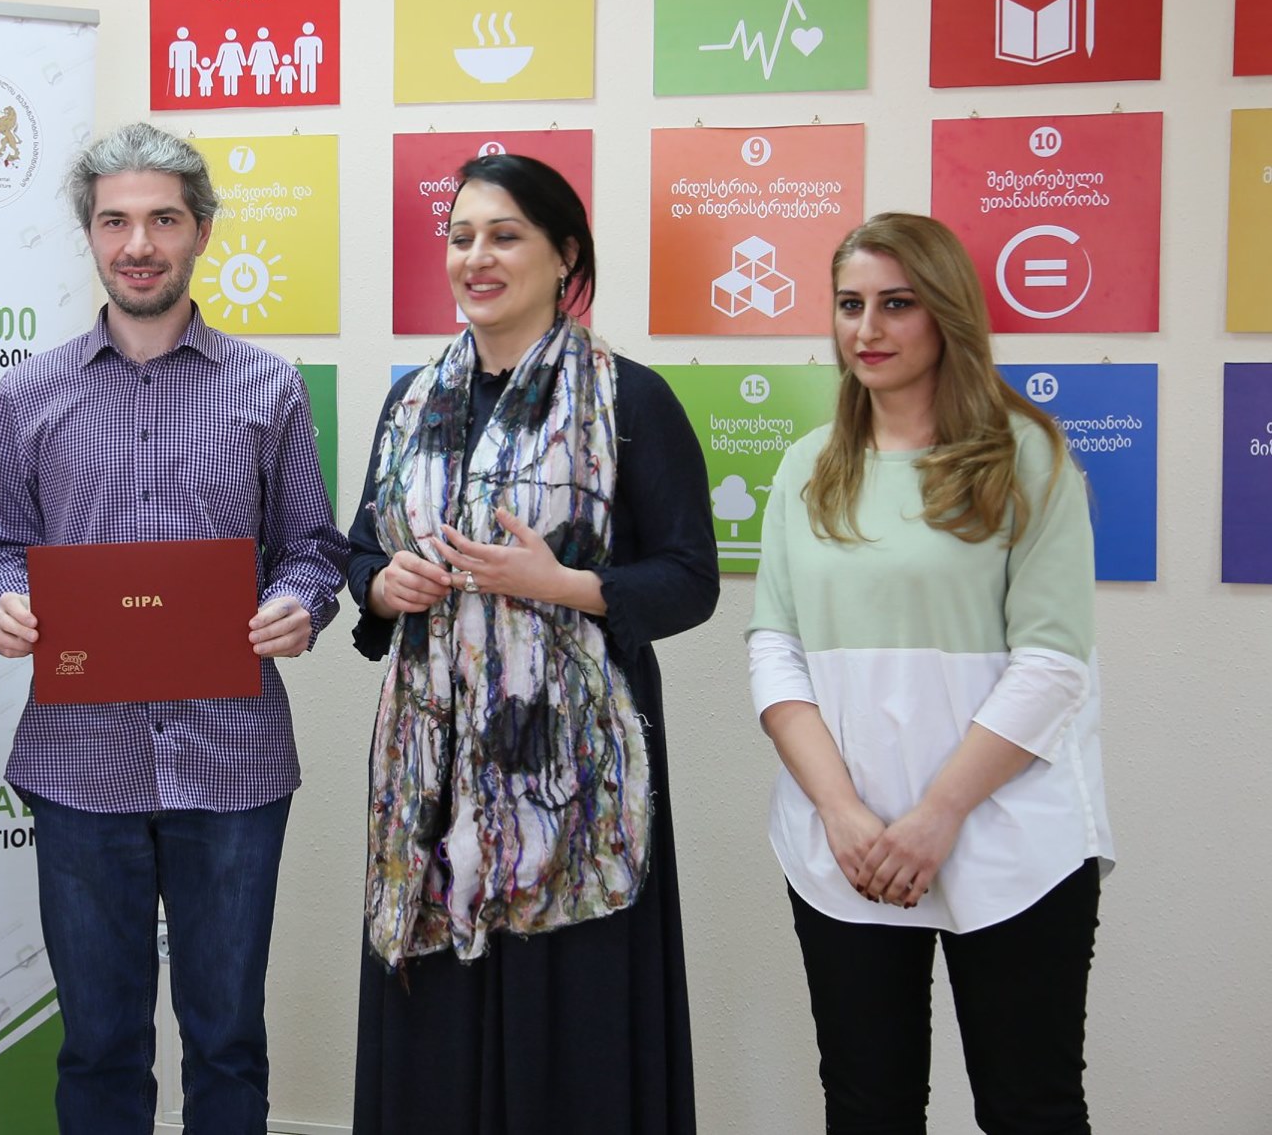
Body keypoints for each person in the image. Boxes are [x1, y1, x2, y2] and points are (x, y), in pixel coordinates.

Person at [0, 122, 348, 1135]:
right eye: (114, 222)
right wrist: (4, 598)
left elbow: (312, 547)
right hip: (78, 765)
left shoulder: (267, 388)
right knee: (98, 1044)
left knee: (226, 1040)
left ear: (202, 232)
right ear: (89, 234)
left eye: (163, 220)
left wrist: (300, 604)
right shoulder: (29, 393)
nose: (137, 244)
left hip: (232, 763)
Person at [346, 154, 716, 1135]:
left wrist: (565, 586)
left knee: (569, 1045)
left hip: (573, 794)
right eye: (461, 236)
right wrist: (384, 584)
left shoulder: (629, 401)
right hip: (428, 789)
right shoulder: (409, 402)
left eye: (504, 235)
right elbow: (360, 551)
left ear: (564, 257)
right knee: (436, 1044)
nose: (476, 256)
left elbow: (690, 578)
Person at [748, 212, 1112, 1134]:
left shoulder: (1029, 455)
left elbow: (1052, 662)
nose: (867, 329)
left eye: (897, 304)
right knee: (867, 1107)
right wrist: (841, 811)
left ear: (947, 312)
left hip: (1009, 838)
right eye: (850, 305)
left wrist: (937, 815)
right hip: (849, 846)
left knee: (1030, 1106)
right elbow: (774, 651)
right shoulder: (805, 468)